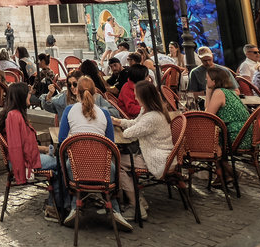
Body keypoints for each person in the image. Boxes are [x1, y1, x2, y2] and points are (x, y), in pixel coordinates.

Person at [55, 77, 129, 231]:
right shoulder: (105, 114)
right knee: (110, 168)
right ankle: (114, 210)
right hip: (104, 171)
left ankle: (74, 206)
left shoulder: (69, 110)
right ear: (95, 93)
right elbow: (110, 142)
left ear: (77, 92)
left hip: (75, 170)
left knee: (71, 166)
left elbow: (62, 140)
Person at [1, 82, 65, 219]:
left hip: (29, 158)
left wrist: (44, 149)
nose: (31, 95)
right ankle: (56, 206)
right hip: (25, 162)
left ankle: (54, 204)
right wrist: (22, 172)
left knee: (57, 168)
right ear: (21, 96)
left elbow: (24, 144)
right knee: (62, 164)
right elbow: (16, 147)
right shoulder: (14, 115)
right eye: (28, 93)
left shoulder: (16, 114)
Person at [115, 79, 176, 217]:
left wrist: (121, 126)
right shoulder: (150, 110)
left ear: (144, 98)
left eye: (137, 95)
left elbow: (129, 133)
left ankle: (136, 206)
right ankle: (139, 198)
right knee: (124, 161)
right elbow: (135, 123)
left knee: (117, 163)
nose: (135, 98)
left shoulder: (152, 117)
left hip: (158, 159)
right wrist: (118, 121)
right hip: (157, 154)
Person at [205, 65, 251, 143]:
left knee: (199, 134)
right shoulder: (230, 91)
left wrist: (208, 91)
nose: (206, 80)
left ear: (214, 81)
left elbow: (208, 116)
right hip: (246, 134)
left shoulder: (219, 92)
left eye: (208, 78)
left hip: (236, 137)